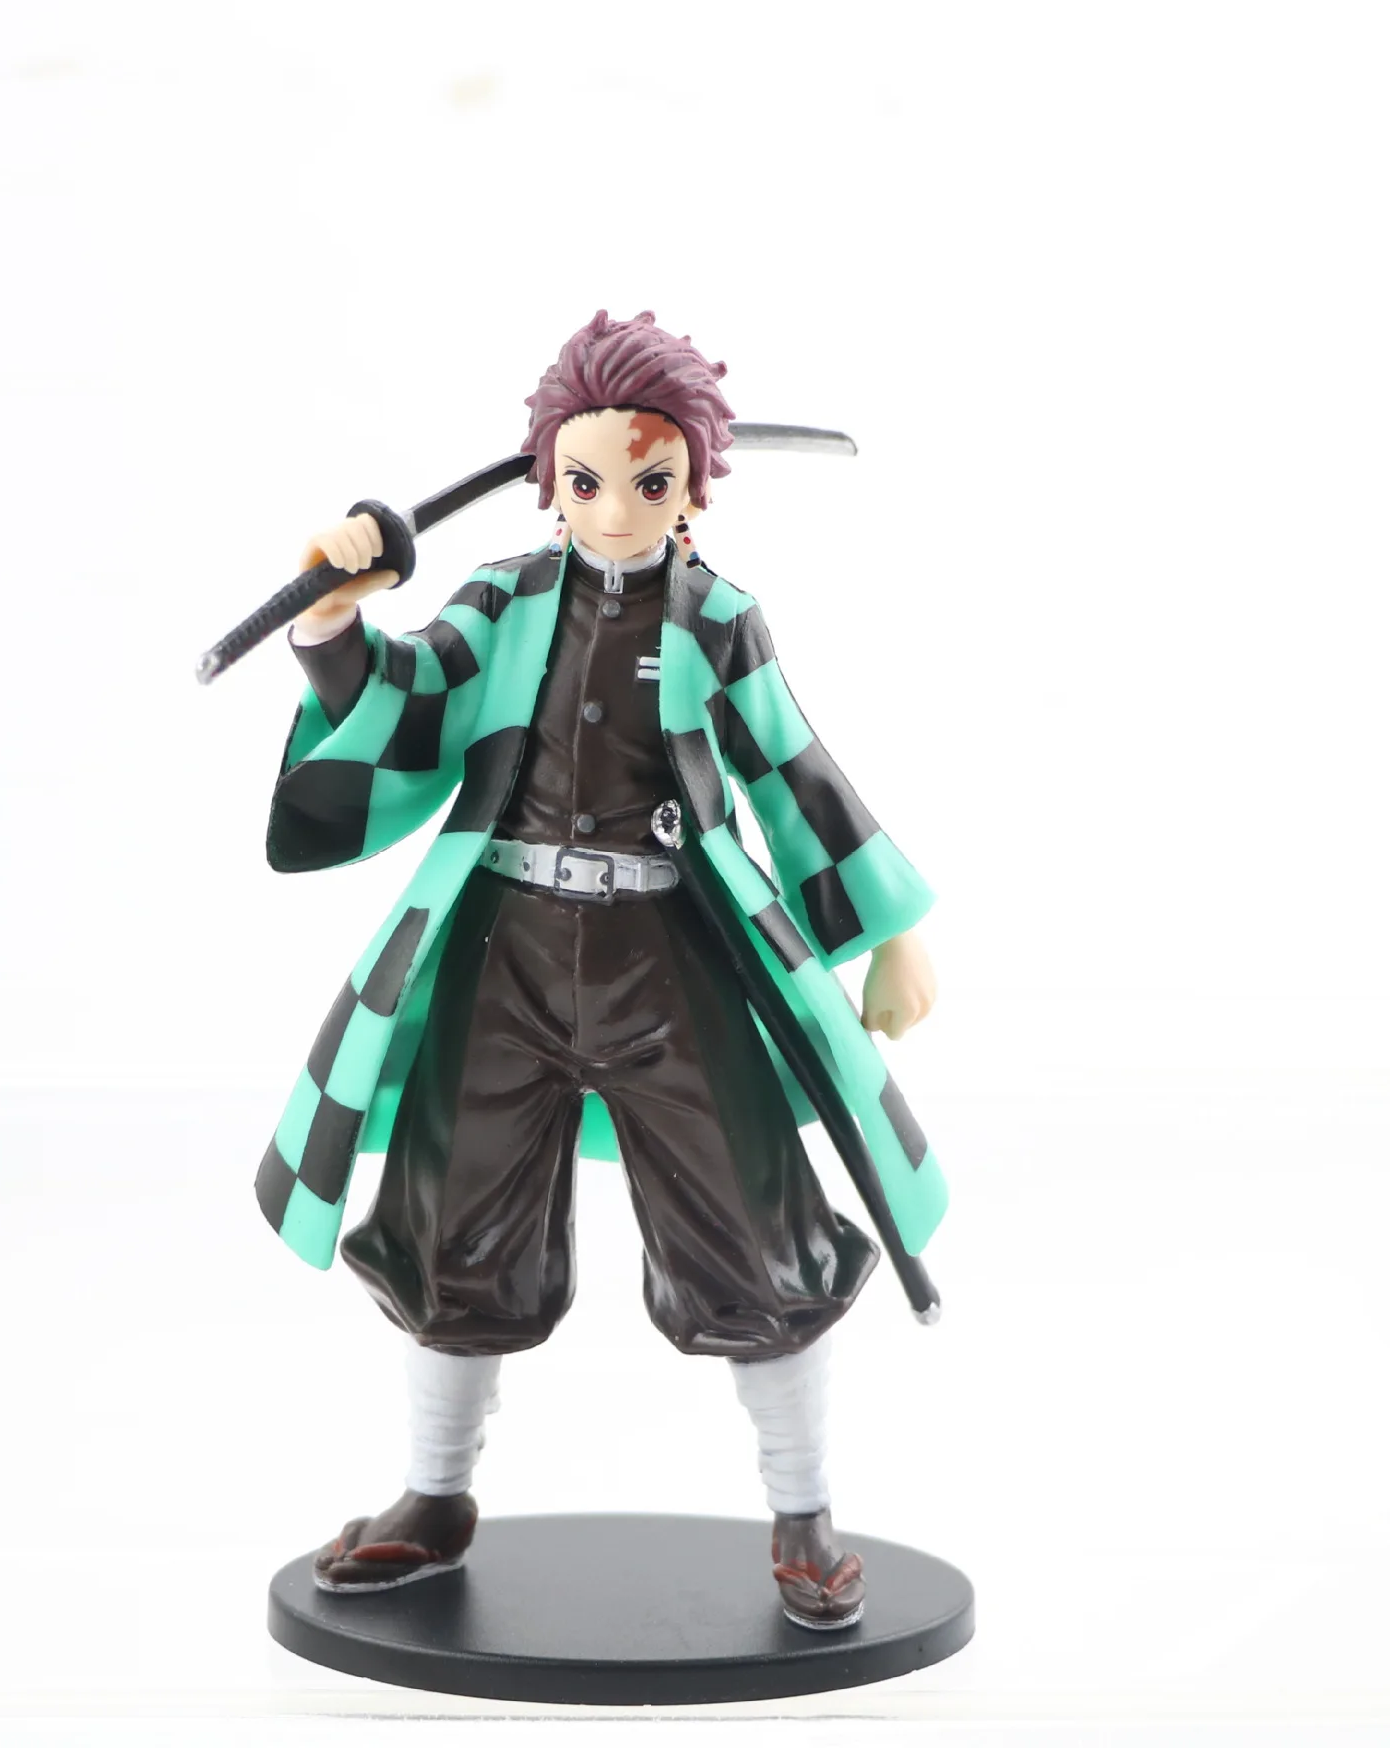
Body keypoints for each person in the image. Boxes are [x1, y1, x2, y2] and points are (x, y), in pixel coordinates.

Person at [257, 311, 945, 1628]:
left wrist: (888, 926)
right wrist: (336, 624)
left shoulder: (719, 619)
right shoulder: (502, 603)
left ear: (694, 484)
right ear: (548, 480)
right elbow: (411, 702)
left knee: (755, 1231)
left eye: (650, 479)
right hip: (499, 961)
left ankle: (803, 1514)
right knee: (452, 1226)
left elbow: (793, 769)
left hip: (676, 965)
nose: (617, 509)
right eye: (585, 480)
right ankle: (434, 1495)